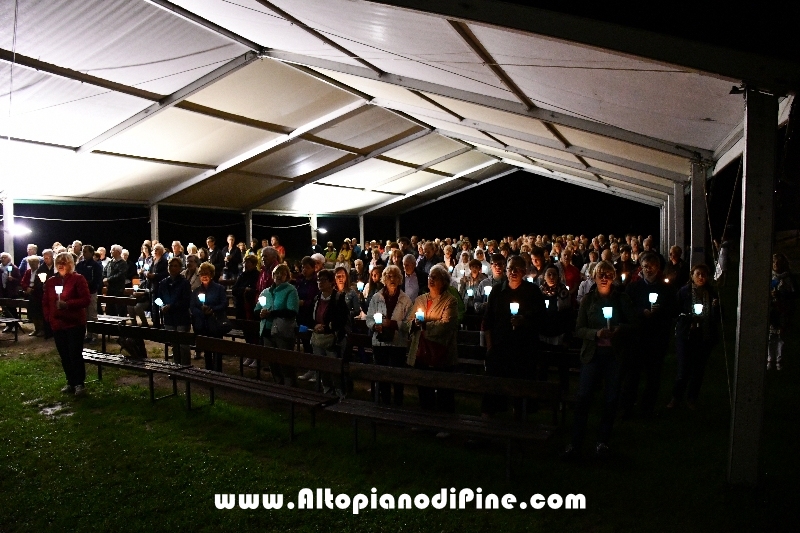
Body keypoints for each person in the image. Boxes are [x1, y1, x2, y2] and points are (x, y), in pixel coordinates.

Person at [563, 261, 637, 460]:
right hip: (593, 355)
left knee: (611, 399)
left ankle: (602, 441)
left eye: (608, 274)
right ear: (594, 277)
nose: (604, 278)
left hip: (614, 355)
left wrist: (619, 328)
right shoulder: (588, 300)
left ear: (613, 276)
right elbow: (579, 329)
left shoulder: (621, 299)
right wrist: (596, 333)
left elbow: (633, 324)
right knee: (583, 397)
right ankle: (576, 442)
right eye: (600, 274)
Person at [482, 256, 546, 417]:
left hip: (524, 349)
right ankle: (488, 423)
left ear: (524, 271)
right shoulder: (497, 291)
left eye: (517, 269)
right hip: (500, 347)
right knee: (493, 387)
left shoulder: (532, 292)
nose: (513, 272)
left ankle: (519, 418)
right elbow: (488, 320)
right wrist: (490, 347)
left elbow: (541, 319)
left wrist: (524, 321)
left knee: (521, 388)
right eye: (510, 268)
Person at [620, 251, 675, 418]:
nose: (648, 270)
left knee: (653, 376)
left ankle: (647, 407)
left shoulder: (666, 288)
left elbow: (673, 310)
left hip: (657, 338)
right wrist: (641, 311)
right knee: (633, 374)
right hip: (637, 337)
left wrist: (659, 311)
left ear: (657, 268)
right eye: (645, 267)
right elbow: (626, 309)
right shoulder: (633, 287)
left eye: (651, 267)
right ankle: (627, 407)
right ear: (640, 268)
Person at [402, 265, 459, 417]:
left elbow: (446, 325)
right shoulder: (421, 299)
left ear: (444, 282)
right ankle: (426, 419)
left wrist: (425, 324)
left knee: (443, 389)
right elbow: (407, 321)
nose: (431, 280)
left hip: (441, 351)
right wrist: (414, 323)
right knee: (424, 387)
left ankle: (445, 421)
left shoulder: (450, 301)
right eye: (430, 277)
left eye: (435, 277)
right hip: (421, 350)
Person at [667, 264, 720, 410]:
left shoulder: (711, 293)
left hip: (704, 336)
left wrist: (715, 308)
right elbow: (675, 312)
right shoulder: (685, 292)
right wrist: (689, 319)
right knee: (684, 369)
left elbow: (717, 319)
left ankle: (692, 398)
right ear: (692, 276)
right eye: (698, 274)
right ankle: (676, 397)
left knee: (698, 369)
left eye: (704, 274)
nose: (701, 277)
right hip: (686, 335)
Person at [42, 252, 91, 397]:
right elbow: (46, 301)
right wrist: (49, 317)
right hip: (57, 324)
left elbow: (86, 300)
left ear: (71, 264)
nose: (61, 264)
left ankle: (79, 384)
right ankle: (70, 381)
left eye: (64, 261)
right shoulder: (51, 281)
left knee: (74, 353)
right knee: (64, 355)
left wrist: (68, 304)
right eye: (59, 262)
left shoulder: (78, 279)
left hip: (74, 324)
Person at [366, 265, 413, 406]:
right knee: (382, 375)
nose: (392, 279)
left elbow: (409, 324)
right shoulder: (376, 297)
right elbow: (369, 318)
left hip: (397, 343)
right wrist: (375, 325)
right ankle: (384, 403)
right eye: (389, 276)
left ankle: (398, 404)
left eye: (395, 276)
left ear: (400, 279)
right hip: (380, 343)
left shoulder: (405, 300)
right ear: (384, 279)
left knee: (397, 376)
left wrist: (391, 324)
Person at [255, 264, 299, 386]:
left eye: (282, 273)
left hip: (282, 331)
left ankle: (290, 386)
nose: (279, 275)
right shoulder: (266, 292)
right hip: (267, 330)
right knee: (272, 360)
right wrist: (260, 312)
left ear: (287, 276)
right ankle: (278, 383)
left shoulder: (290, 290)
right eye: (276, 273)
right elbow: (257, 308)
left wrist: (271, 313)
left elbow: (292, 311)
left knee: (285, 361)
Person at [310, 269, 351, 397]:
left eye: (324, 280)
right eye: (319, 280)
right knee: (322, 366)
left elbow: (342, 318)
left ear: (330, 282)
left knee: (334, 367)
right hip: (319, 338)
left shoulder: (338, 298)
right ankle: (327, 389)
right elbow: (311, 316)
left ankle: (340, 391)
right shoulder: (317, 298)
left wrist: (327, 328)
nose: (320, 283)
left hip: (333, 339)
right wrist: (315, 325)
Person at [191, 262, 228, 371]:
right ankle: (208, 370)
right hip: (203, 324)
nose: (204, 276)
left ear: (211, 274)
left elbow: (224, 303)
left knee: (217, 348)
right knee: (207, 349)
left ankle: (218, 371)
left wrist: (212, 309)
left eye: (206, 273)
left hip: (216, 323)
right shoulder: (197, 290)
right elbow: (193, 307)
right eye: (202, 273)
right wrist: (202, 312)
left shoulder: (219, 288)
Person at [159, 257, 192, 365]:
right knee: (174, 344)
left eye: (175, 266)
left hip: (181, 317)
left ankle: (186, 367)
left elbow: (186, 301)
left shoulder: (184, 283)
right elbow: (157, 298)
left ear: (180, 268)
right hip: (169, 317)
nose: (172, 268)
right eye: (170, 266)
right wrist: (162, 306)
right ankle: (176, 366)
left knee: (183, 345)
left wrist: (171, 306)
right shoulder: (163, 282)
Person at [768, 253, 795, 371]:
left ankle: (779, 359)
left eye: (778, 263)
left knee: (780, 336)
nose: (776, 265)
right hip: (772, 309)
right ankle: (770, 359)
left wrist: (781, 295)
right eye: (774, 262)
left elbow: (792, 295)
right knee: (770, 335)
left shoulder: (787, 278)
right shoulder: (771, 277)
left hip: (782, 310)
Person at [75, 245, 103, 342]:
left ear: (91, 253)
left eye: (86, 251)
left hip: (91, 292)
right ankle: (88, 334)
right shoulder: (80, 265)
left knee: (92, 314)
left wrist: (90, 284)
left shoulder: (96, 265)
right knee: (85, 315)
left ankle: (94, 335)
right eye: (83, 251)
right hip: (81, 293)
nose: (84, 253)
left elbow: (98, 280)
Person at [21, 256, 44, 336]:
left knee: (39, 312)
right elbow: (23, 281)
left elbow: (41, 283)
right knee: (32, 312)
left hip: (38, 294)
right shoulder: (28, 272)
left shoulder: (41, 271)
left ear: (37, 263)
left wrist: (32, 289)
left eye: (33, 263)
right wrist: (26, 288)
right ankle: (36, 328)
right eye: (30, 263)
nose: (32, 265)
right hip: (29, 294)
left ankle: (41, 329)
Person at [0, 253, 22, 331]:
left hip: (11, 292)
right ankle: (8, 325)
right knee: (5, 309)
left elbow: (19, 280)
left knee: (12, 309)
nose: (2, 259)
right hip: (3, 291)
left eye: (4, 257)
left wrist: (12, 279)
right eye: (1, 257)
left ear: (9, 259)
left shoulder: (14, 268)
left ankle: (15, 325)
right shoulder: (0, 268)